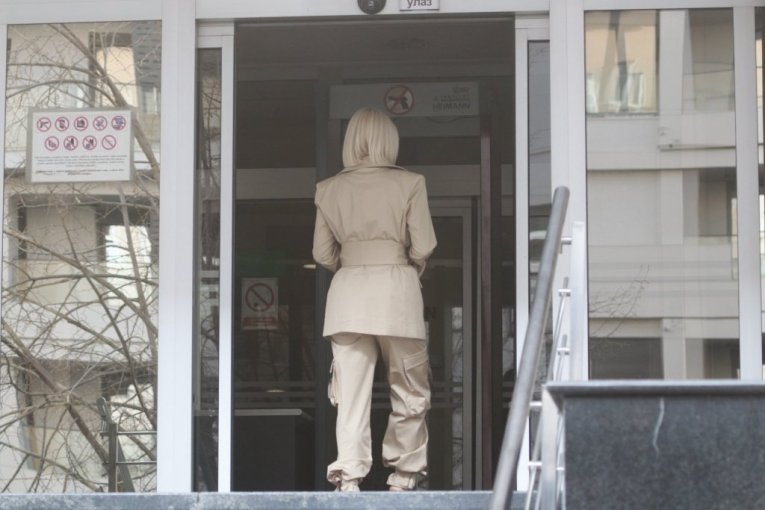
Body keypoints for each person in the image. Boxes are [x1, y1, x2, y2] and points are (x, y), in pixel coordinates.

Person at [312, 107, 437, 492]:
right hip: (397, 294)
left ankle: (349, 478)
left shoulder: (329, 189)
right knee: (409, 389)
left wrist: (353, 262)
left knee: (350, 395)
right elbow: (424, 245)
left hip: (348, 297)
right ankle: (403, 476)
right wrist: (401, 261)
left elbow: (321, 253)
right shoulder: (411, 183)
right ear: (389, 140)